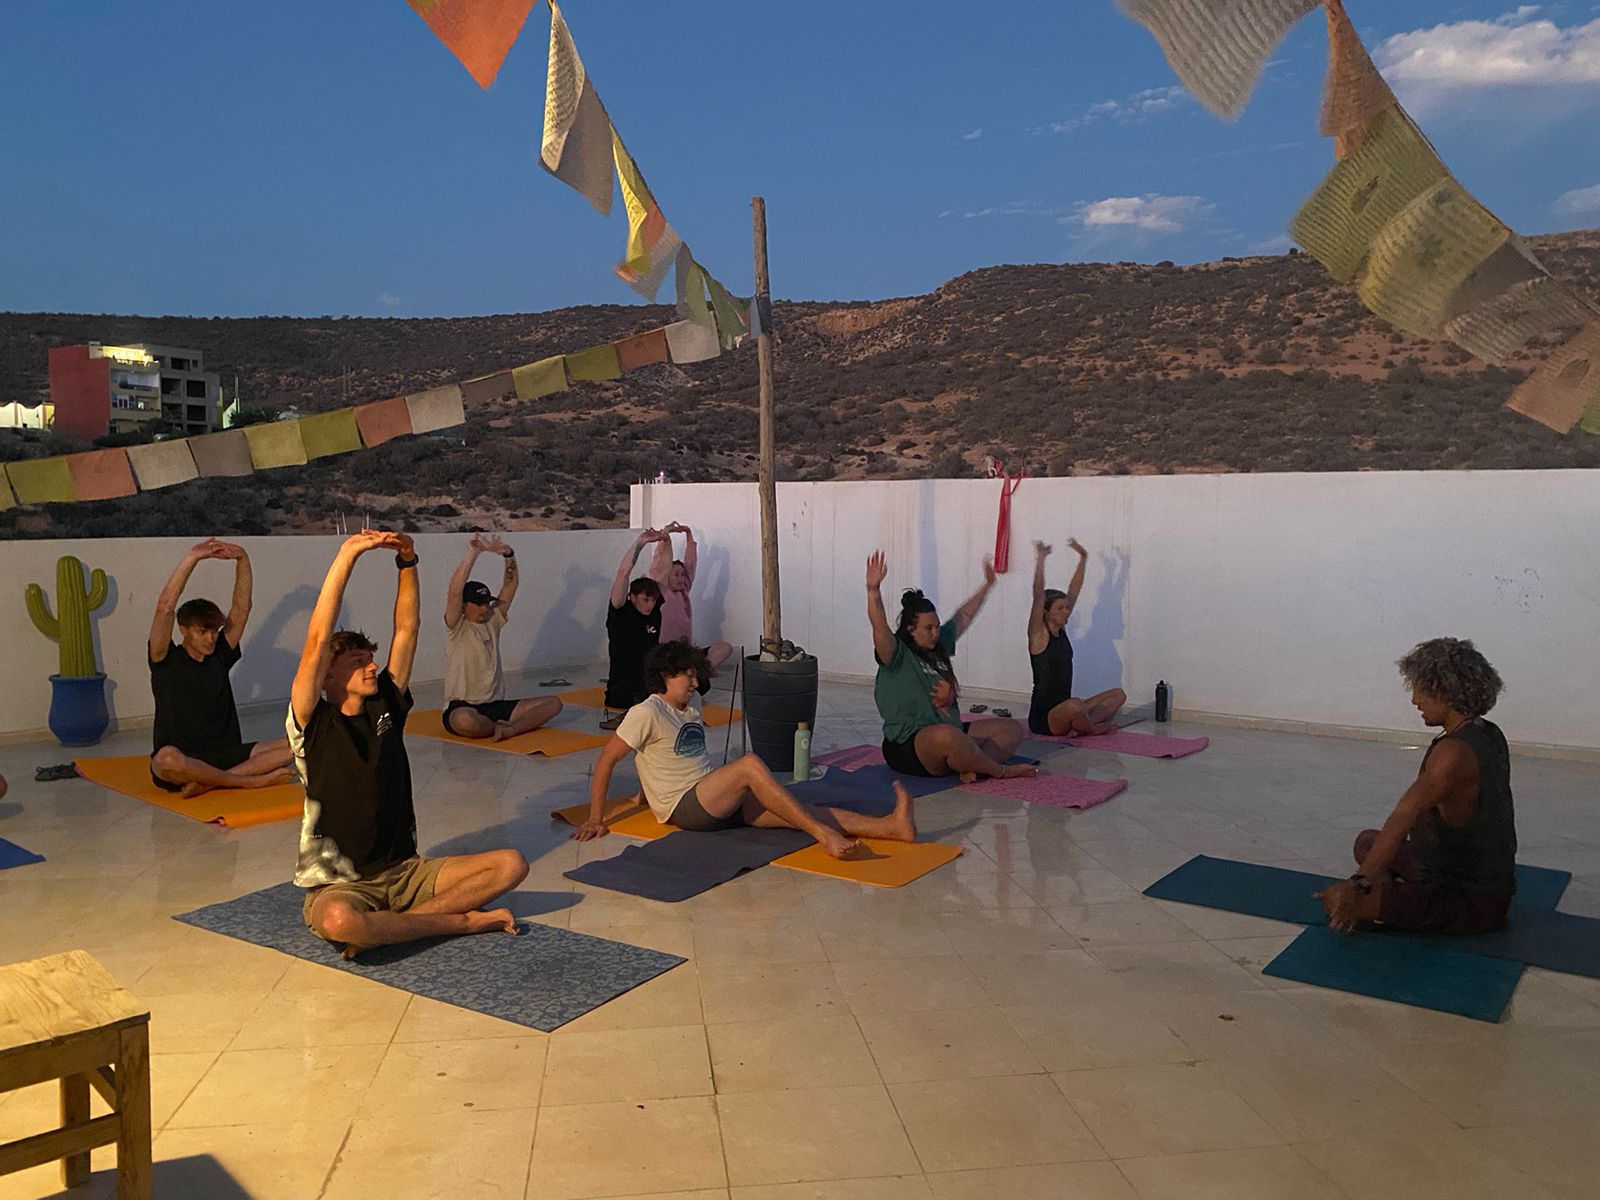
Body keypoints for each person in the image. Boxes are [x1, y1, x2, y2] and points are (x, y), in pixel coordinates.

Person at [290, 531, 527, 959]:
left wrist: (408, 561)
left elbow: (407, 628)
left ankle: (397, 928)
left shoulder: (386, 703)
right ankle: (458, 922)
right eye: (358, 662)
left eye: (371, 659)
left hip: (407, 873)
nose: (372, 666)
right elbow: (317, 639)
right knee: (340, 921)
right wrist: (347, 554)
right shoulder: (312, 722)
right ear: (328, 675)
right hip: (341, 884)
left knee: (511, 864)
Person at [572, 641, 918, 858]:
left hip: (713, 798)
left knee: (800, 808)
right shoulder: (646, 711)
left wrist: (643, 794)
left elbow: (670, 757)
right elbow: (606, 761)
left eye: (696, 676)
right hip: (688, 808)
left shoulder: (690, 709)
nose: (695, 683)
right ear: (665, 675)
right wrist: (595, 818)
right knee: (750, 764)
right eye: (688, 676)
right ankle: (823, 836)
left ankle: (891, 828)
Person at [1318, 637, 1517, 936]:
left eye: (1421, 690)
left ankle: (1396, 898)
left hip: (1470, 901)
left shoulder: (1452, 755)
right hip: (1462, 874)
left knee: (1341, 903)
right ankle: (1398, 892)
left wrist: (1357, 885)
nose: (1415, 701)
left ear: (1446, 692)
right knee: (1367, 843)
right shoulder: (1488, 733)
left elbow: (1404, 815)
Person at [865, 551, 1036, 781]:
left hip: (948, 728)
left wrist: (988, 585)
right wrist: (873, 590)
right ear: (910, 629)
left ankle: (970, 764)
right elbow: (879, 627)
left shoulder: (939, 645)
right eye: (928, 628)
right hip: (909, 744)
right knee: (947, 737)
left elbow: (964, 615)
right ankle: (999, 770)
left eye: (936, 626)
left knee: (1011, 729)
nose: (936, 633)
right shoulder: (896, 654)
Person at [148, 538, 293, 797]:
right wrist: (193, 557)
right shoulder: (165, 660)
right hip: (184, 757)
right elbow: (164, 608)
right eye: (202, 631)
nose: (211, 638)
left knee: (295, 747)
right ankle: (249, 781)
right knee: (166, 761)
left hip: (226, 754)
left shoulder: (219, 656)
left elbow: (241, 609)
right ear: (184, 630)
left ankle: (212, 782)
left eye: (214, 631)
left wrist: (243, 559)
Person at [441, 533, 563, 740]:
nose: (484, 608)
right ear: (464, 606)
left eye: (486, 603)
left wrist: (509, 555)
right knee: (465, 720)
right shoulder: (456, 626)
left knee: (553, 704)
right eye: (478, 604)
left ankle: (510, 728)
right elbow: (454, 591)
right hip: (463, 706)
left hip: (496, 705)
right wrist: (473, 554)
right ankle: (503, 726)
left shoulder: (493, 619)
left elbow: (510, 586)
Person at [1026, 539, 1127, 737]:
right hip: (1045, 719)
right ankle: (1092, 730)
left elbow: (1074, 590)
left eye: (1066, 608)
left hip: (1068, 710)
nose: (1066, 612)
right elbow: (1038, 595)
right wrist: (1040, 559)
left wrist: (1083, 558)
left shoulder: (1061, 630)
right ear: (1046, 613)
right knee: (1075, 705)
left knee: (1118, 695)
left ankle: (1079, 727)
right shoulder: (1038, 636)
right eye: (1060, 609)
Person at [648, 521, 734, 687]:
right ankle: (690, 673)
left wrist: (688, 534)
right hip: (666, 653)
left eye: (682, 575)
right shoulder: (661, 592)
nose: (681, 578)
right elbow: (659, 565)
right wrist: (664, 537)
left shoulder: (684, 591)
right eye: (676, 575)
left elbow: (691, 563)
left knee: (725, 648)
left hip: (685, 652)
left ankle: (697, 671)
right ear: (667, 576)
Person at [602, 529, 666, 729]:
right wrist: (640, 543)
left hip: (650, 685)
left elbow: (663, 573)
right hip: (623, 690)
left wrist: (667, 540)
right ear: (632, 596)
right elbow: (623, 572)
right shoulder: (621, 610)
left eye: (653, 600)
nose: (650, 605)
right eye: (646, 600)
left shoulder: (654, 611)